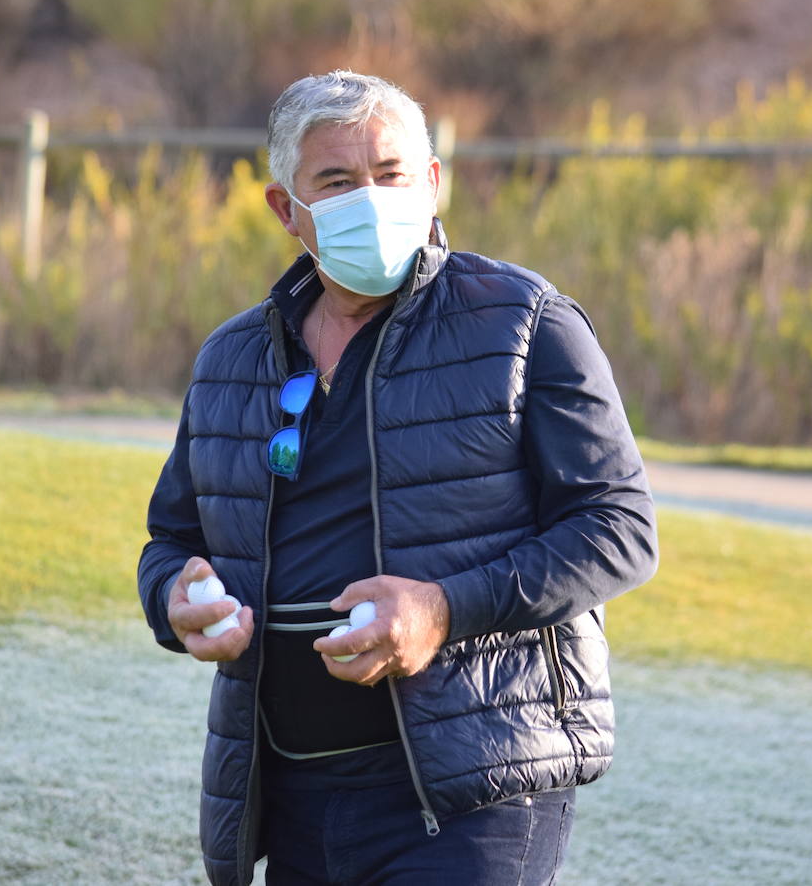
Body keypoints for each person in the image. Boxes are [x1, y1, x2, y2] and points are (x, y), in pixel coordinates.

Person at [137, 70, 658, 886]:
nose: (371, 199)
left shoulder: (526, 323)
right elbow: (172, 539)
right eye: (338, 181)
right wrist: (173, 598)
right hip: (291, 789)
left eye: (391, 174)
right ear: (287, 209)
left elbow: (619, 529)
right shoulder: (229, 361)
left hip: (474, 790)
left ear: (433, 182)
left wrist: (441, 611)